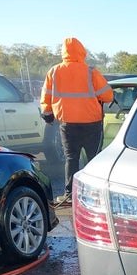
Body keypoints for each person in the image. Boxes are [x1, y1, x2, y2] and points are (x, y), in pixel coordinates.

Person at [40, 37, 113, 206]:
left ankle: (69, 195)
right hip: (92, 123)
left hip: (68, 124)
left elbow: (46, 96)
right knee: (94, 158)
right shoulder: (91, 72)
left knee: (71, 159)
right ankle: (97, 195)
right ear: (82, 52)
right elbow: (108, 96)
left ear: (63, 53)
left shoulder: (54, 72)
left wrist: (47, 113)